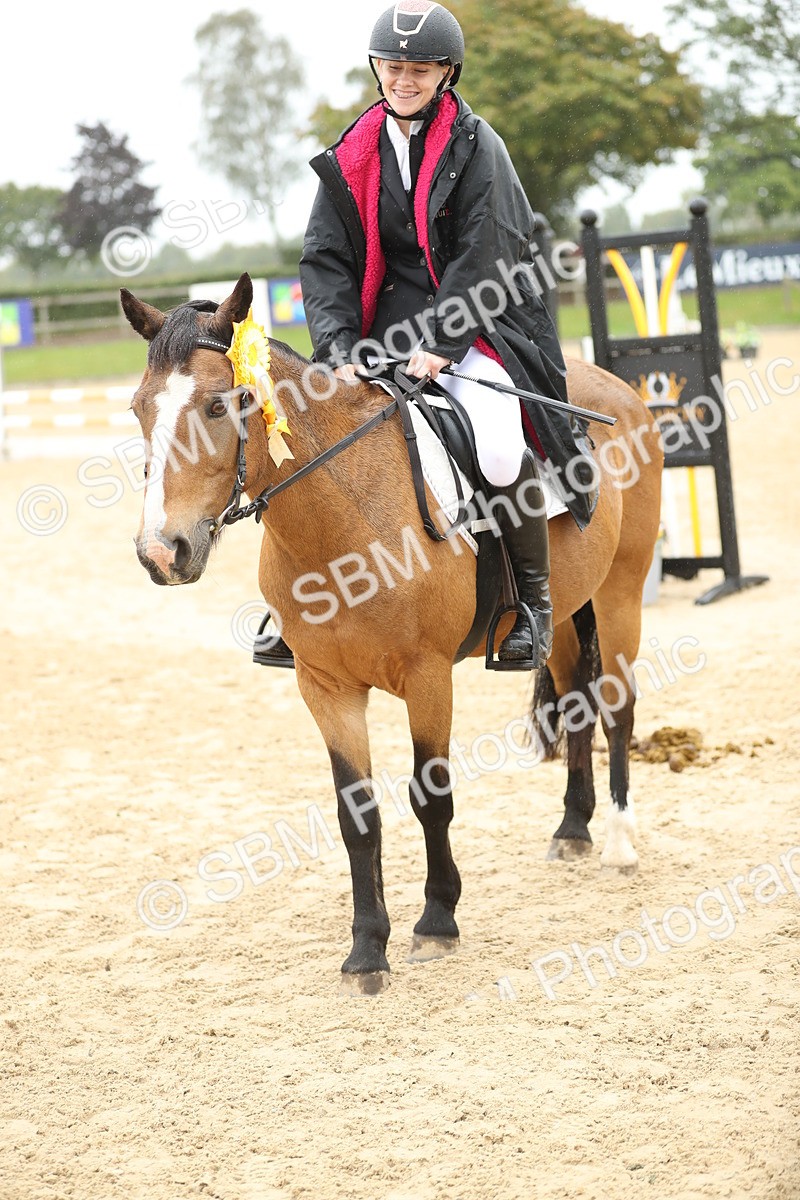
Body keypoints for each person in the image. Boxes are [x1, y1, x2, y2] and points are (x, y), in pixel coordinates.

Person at [255, 0, 596, 670]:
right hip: (379, 337)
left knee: (497, 447)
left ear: (446, 72)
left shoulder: (478, 147)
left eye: (419, 67)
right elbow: (325, 260)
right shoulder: (352, 153)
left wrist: (441, 344)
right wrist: (340, 350)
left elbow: (486, 254)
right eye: (392, 65)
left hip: (480, 325)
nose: (403, 78)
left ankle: (531, 604)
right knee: (303, 439)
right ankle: (294, 608)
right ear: (376, 68)